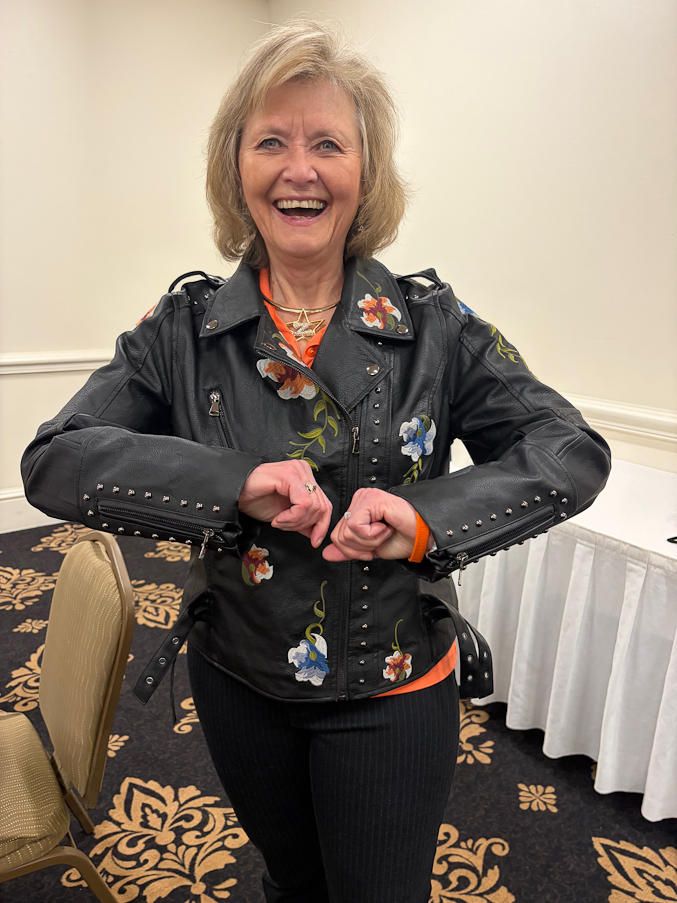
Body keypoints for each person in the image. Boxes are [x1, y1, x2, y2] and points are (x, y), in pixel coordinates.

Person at [21, 19, 611, 903]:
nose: (298, 168)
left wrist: (422, 519)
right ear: (235, 169)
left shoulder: (434, 327)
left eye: (327, 144)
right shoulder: (182, 330)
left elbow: (568, 450)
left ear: (364, 175)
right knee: (292, 880)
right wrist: (233, 484)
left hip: (392, 683)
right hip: (237, 676)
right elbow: (54, 458)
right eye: (271, 142)